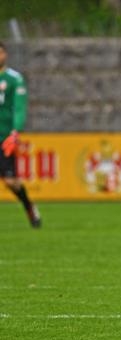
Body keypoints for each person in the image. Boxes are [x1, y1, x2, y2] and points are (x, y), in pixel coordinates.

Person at [0, 42, 41, 228]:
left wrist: (15, 130)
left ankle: (29, 205)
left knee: (10, 182)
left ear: (5, 54)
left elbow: (19, 107)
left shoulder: (14, 79)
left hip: (4, 138)